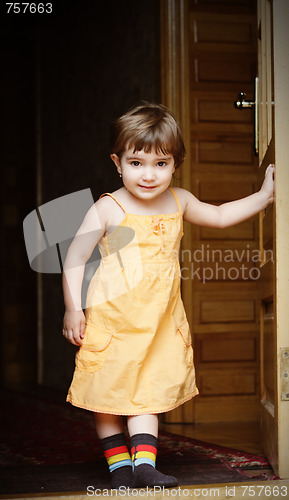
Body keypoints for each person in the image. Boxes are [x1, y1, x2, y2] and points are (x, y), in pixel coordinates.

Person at [62, 103, 275, 489]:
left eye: (160, 163)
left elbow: (222, 215)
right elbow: (75, 257)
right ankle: (118, 467)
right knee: (108, 393)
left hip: (159, 321)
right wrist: (73, 309)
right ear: (117, 162)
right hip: (112, 322)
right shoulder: (108, 207)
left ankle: (144, 464)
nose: (148, 174)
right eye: (137, 162)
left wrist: (263, 196)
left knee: (149, 390)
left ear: (175, 164)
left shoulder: (180, 201)